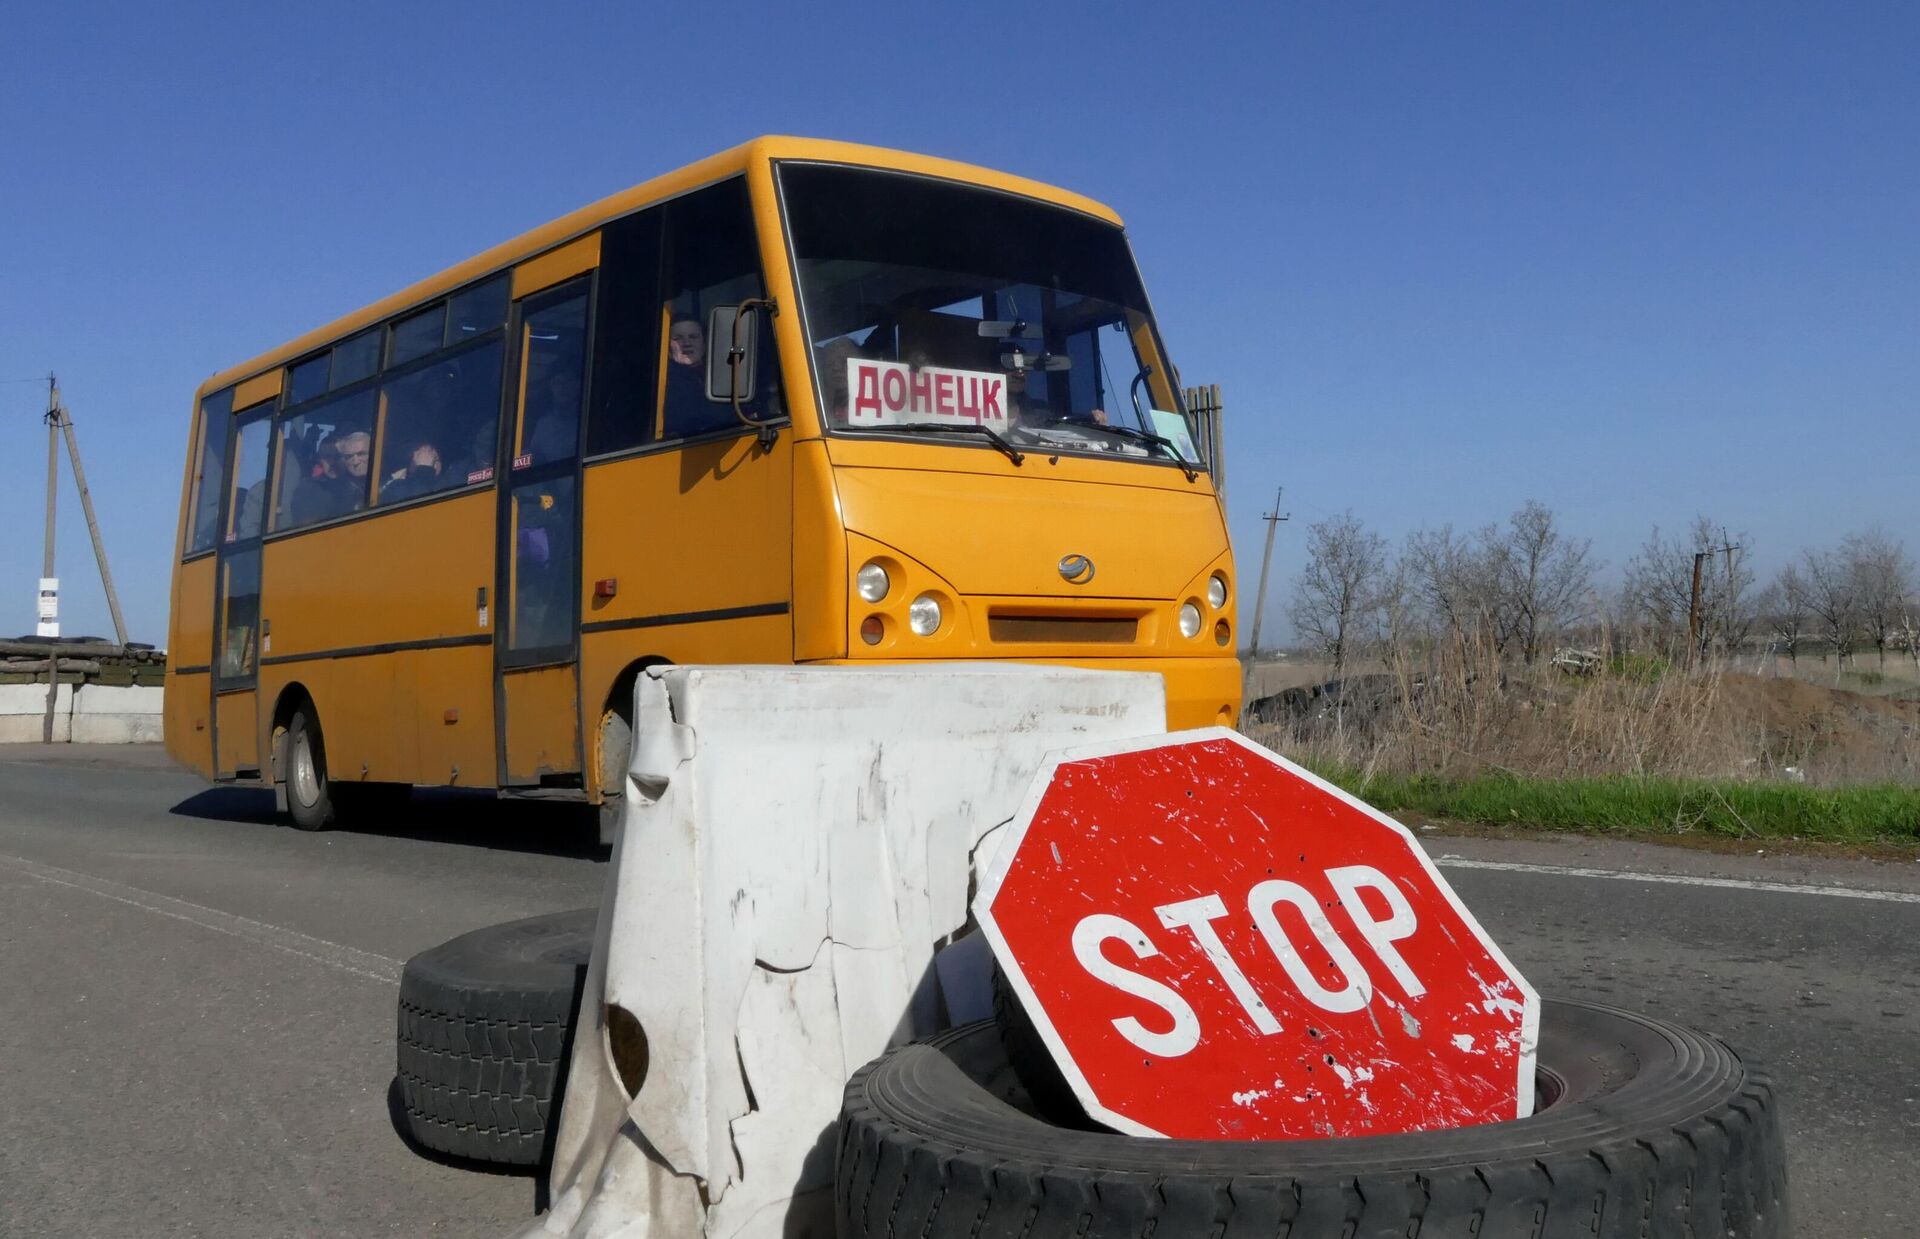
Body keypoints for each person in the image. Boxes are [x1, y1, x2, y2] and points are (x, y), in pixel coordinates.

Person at [293, 429, 370, 523]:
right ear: (319, 460)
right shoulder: (309, 488)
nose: (332, 462)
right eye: (327, 457)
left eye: (337, 456)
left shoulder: (359, 485)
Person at [662, 313, 712, 436]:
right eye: (678, 338)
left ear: (705, 343)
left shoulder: (719, 373)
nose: (686, 343)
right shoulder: (666, 383)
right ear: (666, 347)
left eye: (694, 336)